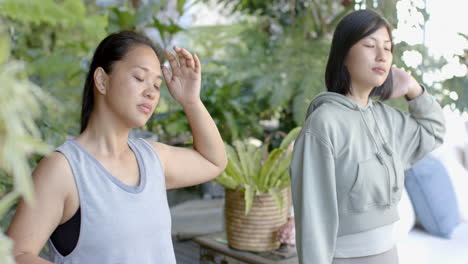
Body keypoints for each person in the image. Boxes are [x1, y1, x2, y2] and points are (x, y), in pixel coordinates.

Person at [6, 30, 227, 264]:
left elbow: (213, 162)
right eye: (139, 78)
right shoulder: (63, 170)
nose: (151, 92)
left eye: (156, 84)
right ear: (102, 80)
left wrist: (191, 101)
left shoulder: (153, 158)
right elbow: (14, 255)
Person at [289, 9, 445, 264]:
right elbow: (313, 219)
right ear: (344, 55)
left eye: (388, 47)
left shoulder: (387, 119)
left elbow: (434, 130)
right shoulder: (324, 123)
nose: (382, 56)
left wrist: (413, 89)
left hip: (388, 255)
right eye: (370, 45)